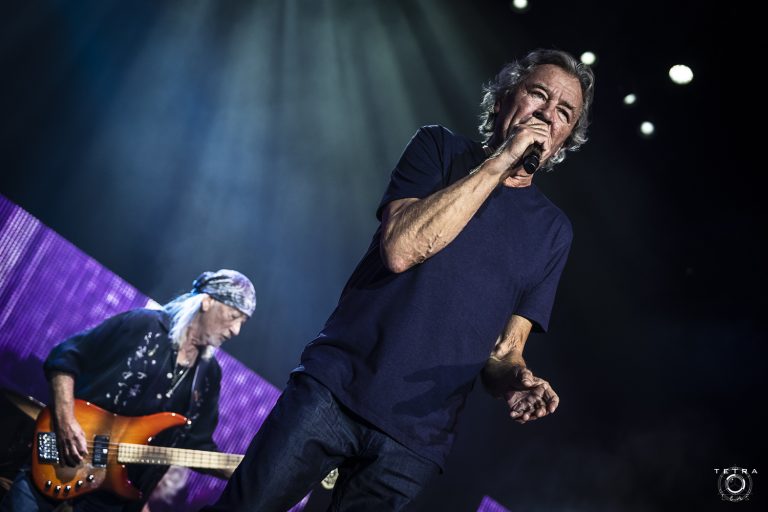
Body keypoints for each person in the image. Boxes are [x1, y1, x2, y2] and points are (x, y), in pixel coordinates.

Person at [205, 48, 595, 512]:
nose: (547, 115)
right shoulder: (438, 149)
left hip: (415, 442)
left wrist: (516, 380)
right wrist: (502, 161)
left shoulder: (552, 233)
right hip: (335, 390)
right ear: (502, 99)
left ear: (565, 140)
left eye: (564, 112)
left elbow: (506, 349)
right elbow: (400, 250)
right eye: (539, 95)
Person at [0, 269, 256, 512]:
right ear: (207, 302)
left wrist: (239, 469)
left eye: (243, 323)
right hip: (64, 455)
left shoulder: (209, 375)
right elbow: (65, 358)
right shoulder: (143, 324)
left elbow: (196, 443)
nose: (236, 330)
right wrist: (65, 422)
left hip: (111, 497)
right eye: (233, 316)